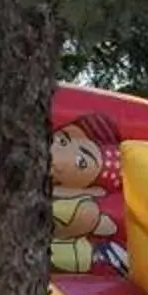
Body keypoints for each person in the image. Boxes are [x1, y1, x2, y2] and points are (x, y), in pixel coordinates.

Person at [49, 111, 131, 275]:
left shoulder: (84, 207)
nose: (60, 154)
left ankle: (108, 256)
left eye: (81, 162)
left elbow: (84, 220)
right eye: (62, 140)